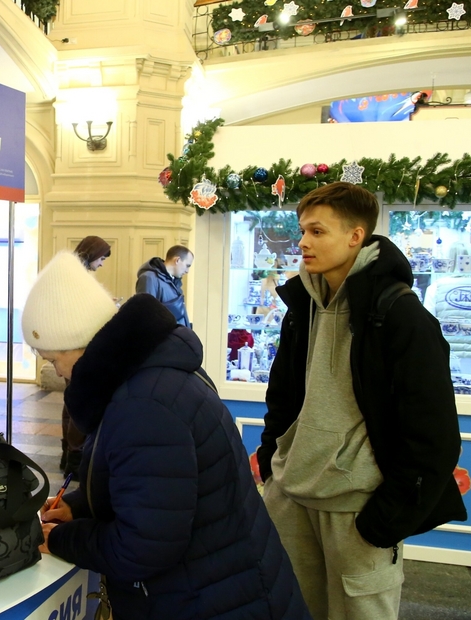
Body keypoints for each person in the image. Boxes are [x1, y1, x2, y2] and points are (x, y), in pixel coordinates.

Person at [24, 252, 309, 620]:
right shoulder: (146, 374)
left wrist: (61, 539)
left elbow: (143, 546)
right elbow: (151, 485)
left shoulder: (142, 404)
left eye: (52, 359)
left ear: (77, 345)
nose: (56, 371)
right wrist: (79, 506)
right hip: (225, 585)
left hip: (212, 600)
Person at [257, 182, 467, 620]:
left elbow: (434, 436)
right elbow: (283, 399)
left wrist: (384, 520)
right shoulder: (302, 308)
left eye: (317, 231)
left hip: (358, 509)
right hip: (292, 499)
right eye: (302, 231)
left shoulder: (401, 315)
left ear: (356, 236)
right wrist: (273, 465)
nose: (303, 242)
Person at [60, 236, 112, 480]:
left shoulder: (71, 275)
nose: (101, 264)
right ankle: (75, 458)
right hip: (77, 347)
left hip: (72, 345)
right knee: (79, 402)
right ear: (91, 254)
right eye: (101, 258)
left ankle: (69, 455)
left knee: (71, 402)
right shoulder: (77, 279)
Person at [135, 244, 193, 327]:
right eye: (187, 266)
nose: (187, 271)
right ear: (177, 260)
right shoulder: (149, 278)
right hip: (164, 338)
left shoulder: (174, 281)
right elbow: (146, 316)